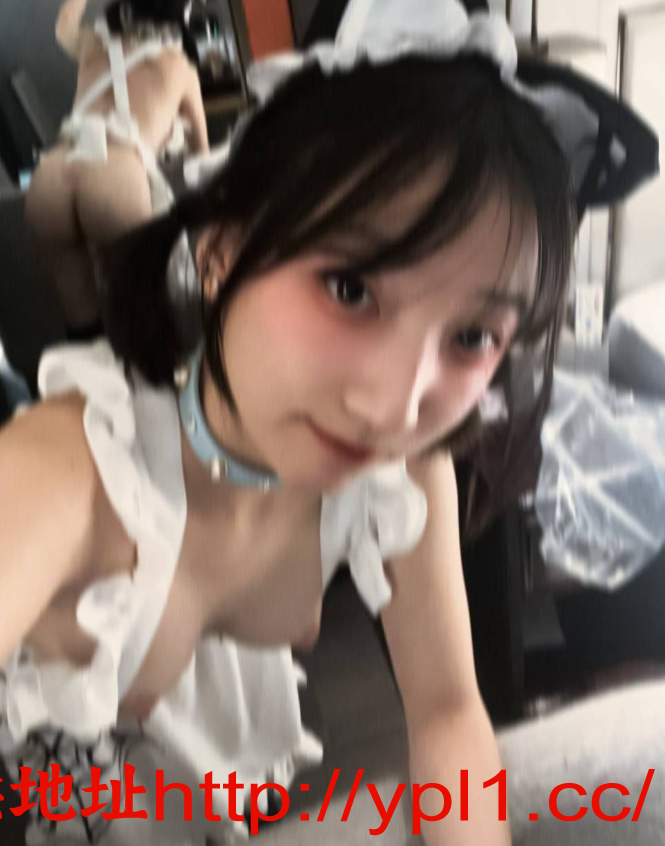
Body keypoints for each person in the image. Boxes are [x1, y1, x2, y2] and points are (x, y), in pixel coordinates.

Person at [0, 1, 657, 844]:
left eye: (470, 336)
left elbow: (447, 708)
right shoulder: (61, 474)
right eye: (350, 289)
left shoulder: (402, 467)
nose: (395, 407)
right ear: (220, 250)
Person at [24, 0, 209, 340]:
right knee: (139, 316)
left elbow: (63, 26)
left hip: (52, 172)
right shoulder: (182, 67)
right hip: (116, 175)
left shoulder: (93, 43)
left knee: (82, 323)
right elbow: (202, 161)